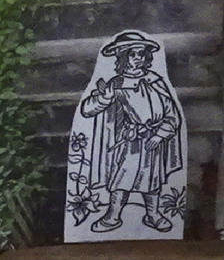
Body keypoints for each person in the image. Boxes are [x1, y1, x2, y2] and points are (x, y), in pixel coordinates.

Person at [74, 31, 184, 233]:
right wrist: (105, 97)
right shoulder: (116, 84)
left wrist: (159, 135)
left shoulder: (155, 81)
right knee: (121, 180)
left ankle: (153, 215)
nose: (138, 58)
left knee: (152, 180)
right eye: (133, 54)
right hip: (129, 142)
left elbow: (171, 114)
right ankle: (113, 216)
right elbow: (88, 110)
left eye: (141, 54)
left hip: (153, 141)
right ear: (123, 57)